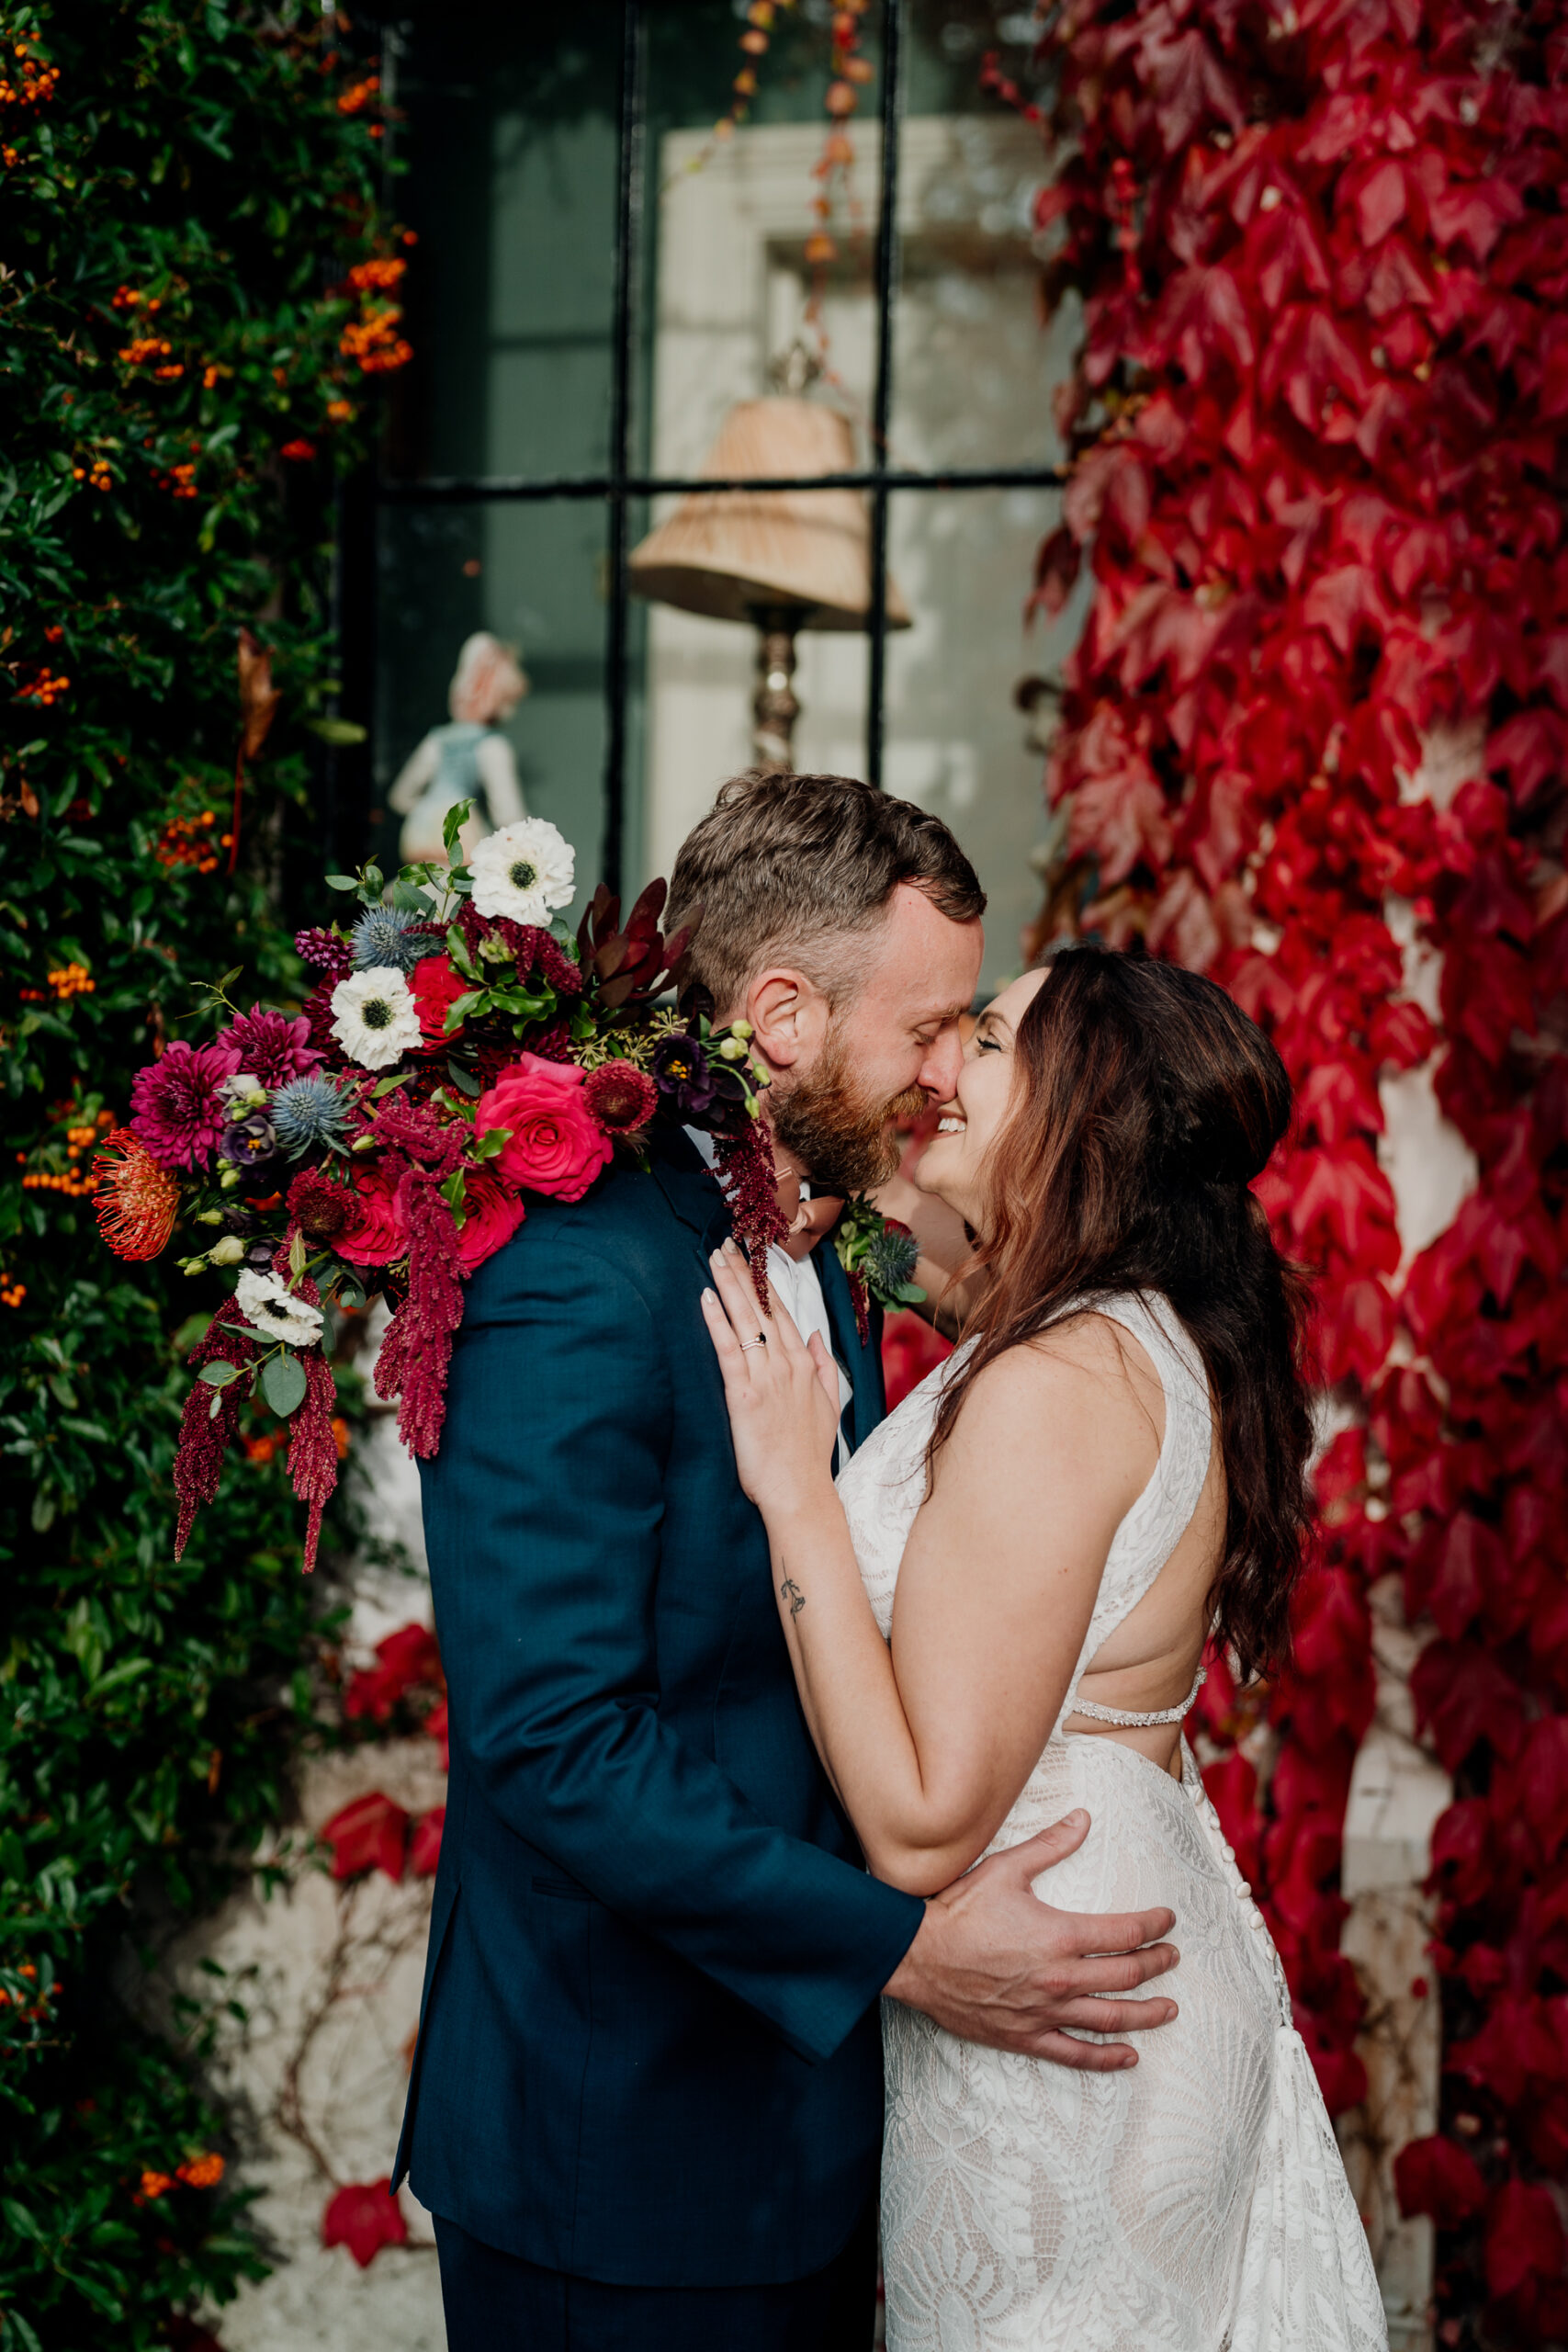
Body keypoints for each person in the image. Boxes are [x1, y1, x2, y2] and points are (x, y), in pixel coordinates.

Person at [395, 774, 1182, 2351]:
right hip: (618, 2154)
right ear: (777, 1016)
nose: (945, 1071)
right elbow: (555, 1739)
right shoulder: (571, 1271)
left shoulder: (803, 1226)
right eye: (929, 1026)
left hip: (812, 2132)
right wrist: (902, 1950)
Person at [702, 945, 1389, 2352]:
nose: (941, 1060)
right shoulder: (1113, 1330)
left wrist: (792, 1494)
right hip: (1104, 1951)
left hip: (1058, 2005)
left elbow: (917, 1825)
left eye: (992, 1044)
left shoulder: (1057, 1381)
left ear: (1085, 1110)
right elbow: (921, 1249)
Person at [388, 629, 528, 865]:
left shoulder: (438, 740)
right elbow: (507, 814)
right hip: (460, 837)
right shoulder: (493, 746)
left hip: (417, 835)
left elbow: (399, 797)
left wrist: (429, 811)